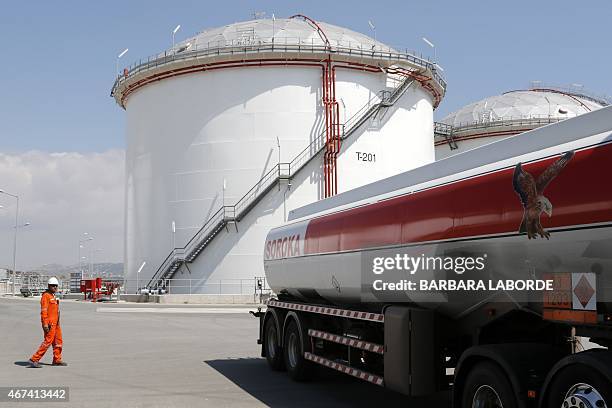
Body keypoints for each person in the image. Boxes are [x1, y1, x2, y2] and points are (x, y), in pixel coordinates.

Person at [28, 277, 67, 368]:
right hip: (49, 324)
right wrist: (45, 324)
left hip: (56, 324)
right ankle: (34, 359)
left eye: (56, 286)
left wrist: (58, 322)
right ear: (49, 286)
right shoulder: (46, 296)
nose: (55, 287)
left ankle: (57, 360)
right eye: (53, 286)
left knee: (58, 341)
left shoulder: (53, 296)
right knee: (48, 342)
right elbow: (44, 311)